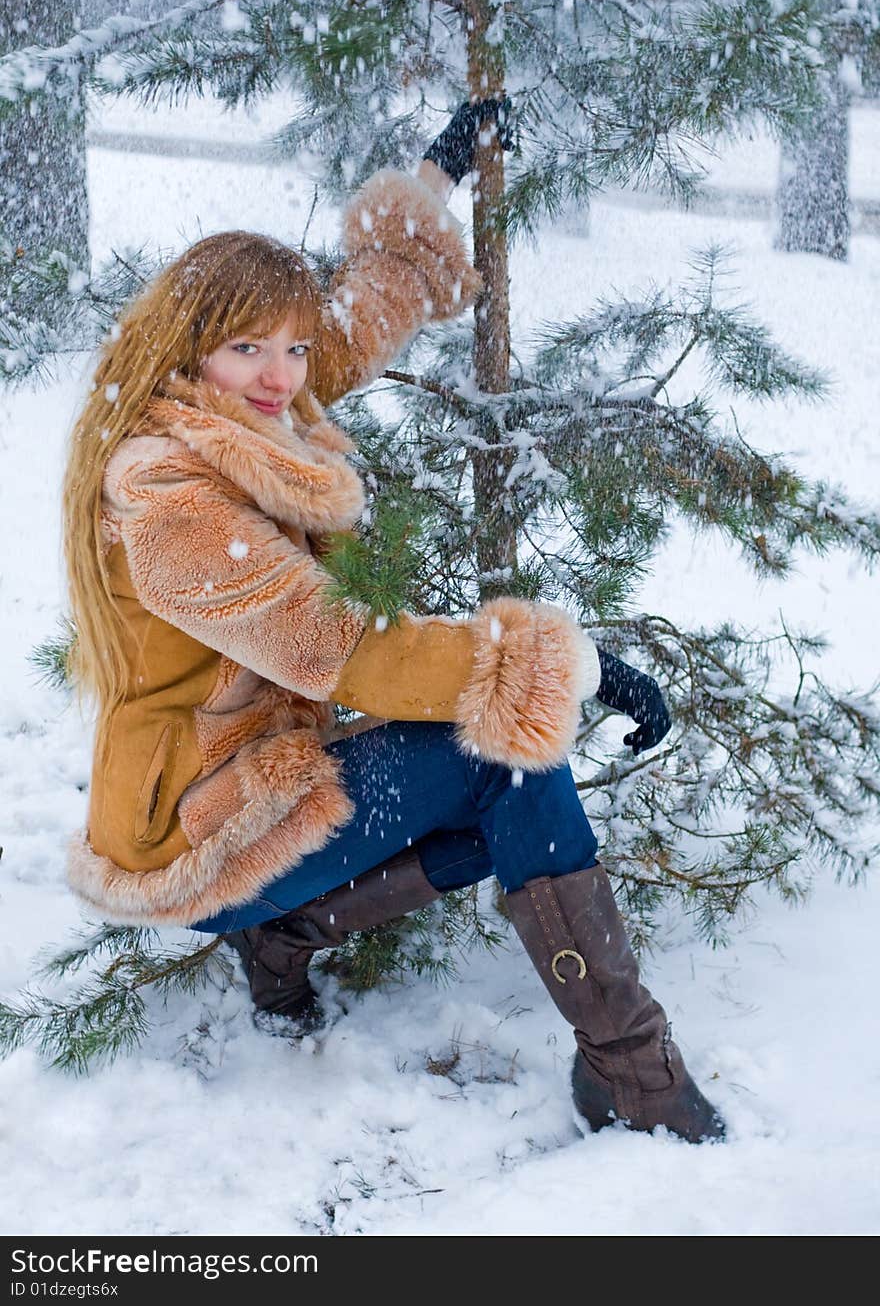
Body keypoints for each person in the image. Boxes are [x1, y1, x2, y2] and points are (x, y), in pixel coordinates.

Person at [62, 99, 724, 1144]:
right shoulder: (169, 499)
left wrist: (435, 177)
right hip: (193, 830)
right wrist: (576, 665)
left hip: (256, 769)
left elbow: (358, 314)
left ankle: (284, 935)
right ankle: (632, 1070)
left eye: (288, 346)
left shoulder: (238, 408)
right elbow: (344, 649)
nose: (283, 373)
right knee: (507, 757)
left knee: (495, 759)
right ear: (193, 352)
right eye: (250, 346)